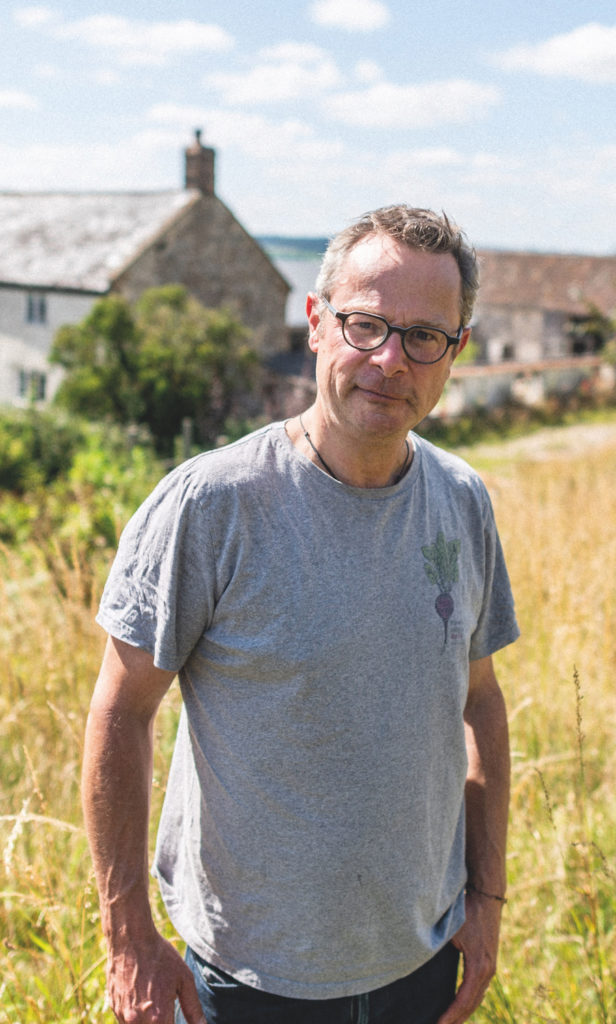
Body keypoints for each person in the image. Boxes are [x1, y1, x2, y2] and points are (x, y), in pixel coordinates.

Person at [82, 204, 519, 1024]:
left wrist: (486, 899)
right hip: (246, 980)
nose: (390, 359)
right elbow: (120, 711)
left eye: (424, 336)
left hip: (420, 962)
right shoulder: (210, 505)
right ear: (317, 324)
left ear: (454, 353)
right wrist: (129, 936)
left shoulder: (460, 502)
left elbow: (480, 704)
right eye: (365, 325)